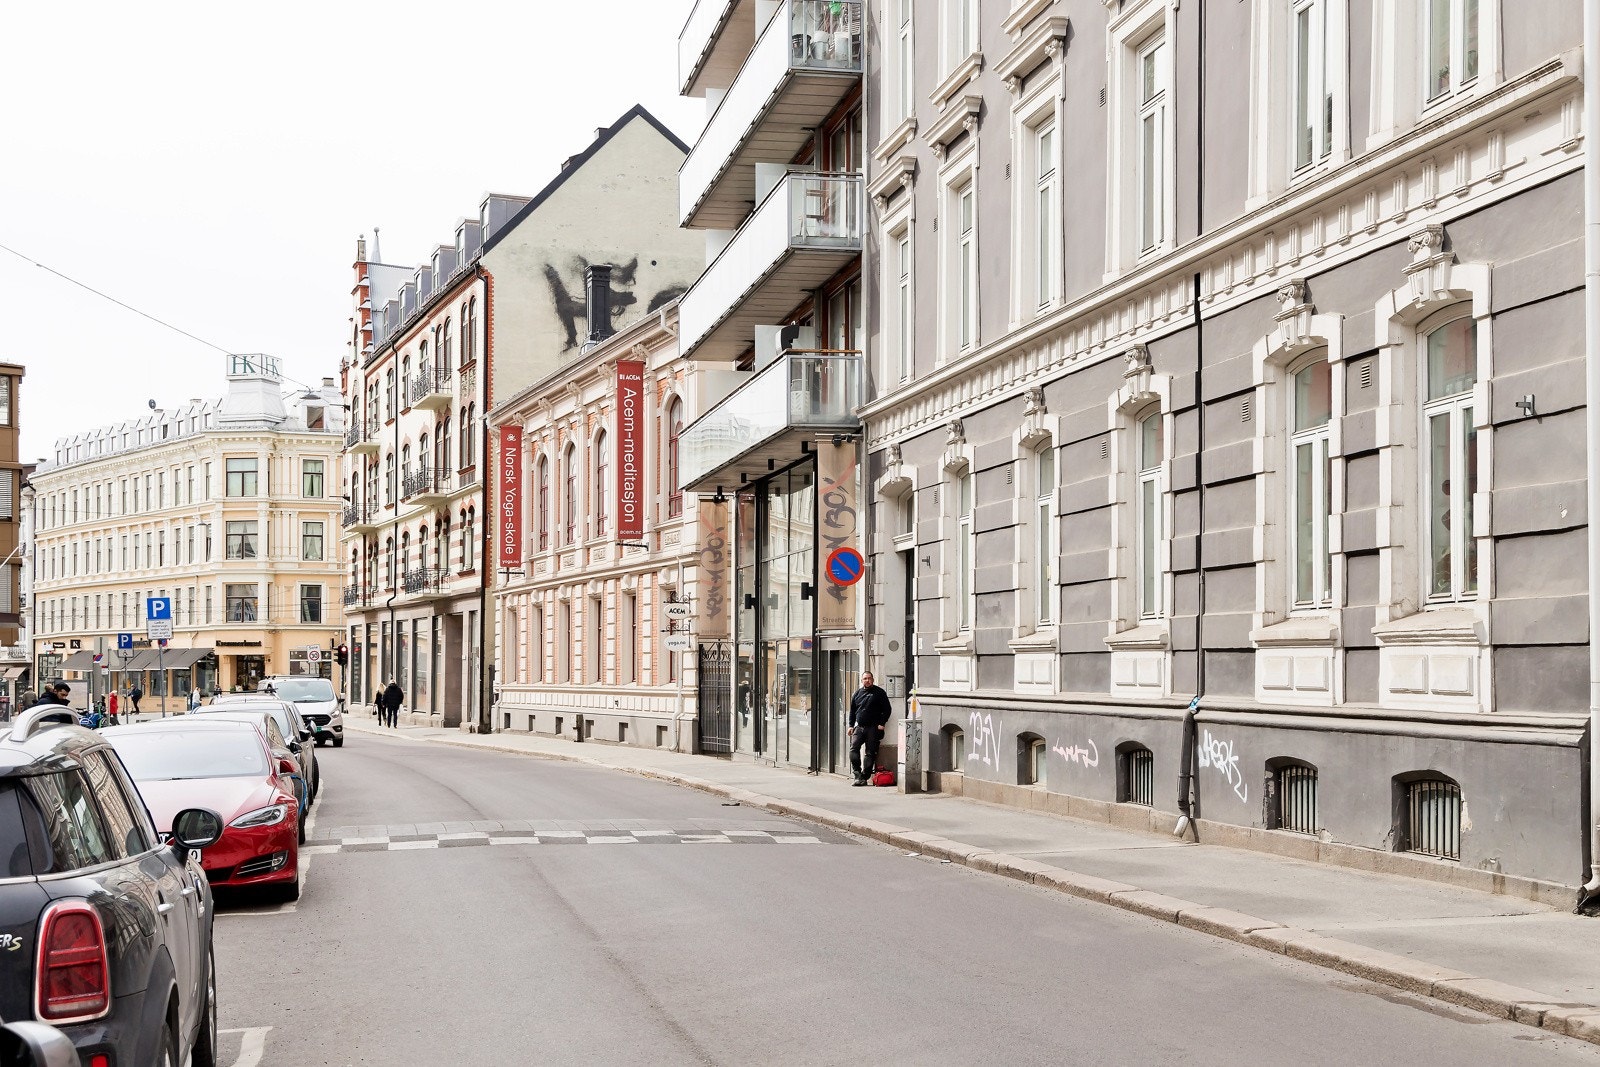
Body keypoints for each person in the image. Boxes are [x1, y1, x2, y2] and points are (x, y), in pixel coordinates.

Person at [848, 671, 892, 786]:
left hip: (873, 727)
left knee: (870, 752)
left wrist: (882, 723)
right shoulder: (857, 693)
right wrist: (851, 725)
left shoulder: (879, 693)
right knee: (854, 748)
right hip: (860, 727)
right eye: (865, 678)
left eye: (869, 678)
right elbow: (852, 711)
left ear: (873, 679)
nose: (867, 680)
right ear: (861, 680)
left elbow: (887, 709)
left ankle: (865, 776)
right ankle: (857, 774)